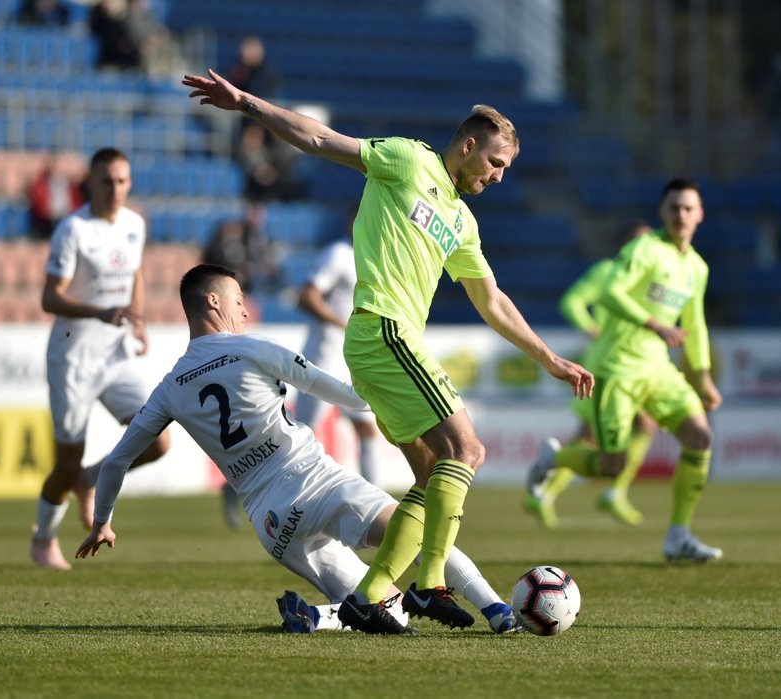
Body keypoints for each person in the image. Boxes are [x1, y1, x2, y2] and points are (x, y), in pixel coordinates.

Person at [181, 68, 593, 633]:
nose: (498, 177)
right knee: (467, 450)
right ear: (468, 146)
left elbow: (491, 299)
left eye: (506, 170)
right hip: (384, 330)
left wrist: (549, 359)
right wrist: (247, 103)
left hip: (386, 345)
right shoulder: (408, 160)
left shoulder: (462, 222)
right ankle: (428, 586)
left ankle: (368, 597)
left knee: (429, 476)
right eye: (495, 163)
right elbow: (322, 140)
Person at [75, 264, 521, 636]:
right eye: (237, 300)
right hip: (317, 481)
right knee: (419, 541)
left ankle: (314, 617)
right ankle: (499, 612)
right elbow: (349, 396)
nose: (245, 310)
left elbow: (116, 460)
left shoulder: (170, 387)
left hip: (272, 522)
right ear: (213, 302)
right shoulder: (253, 349)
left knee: (374, 610)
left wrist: (102, 522)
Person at [530, 179, 723, 562]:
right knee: (610, 463)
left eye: (688, 208)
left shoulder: (696, 267)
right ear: (662, 212)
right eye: (674, 208)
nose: (681, 215)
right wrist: (654, 324)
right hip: (617, 371)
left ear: (700, 214)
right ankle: (554, 460)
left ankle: (678, 536)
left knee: (700, 437)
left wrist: (702, 380)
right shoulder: (645, 249)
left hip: (659, 371)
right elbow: (609, 293)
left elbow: (695, 323)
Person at [31, 147, 171, 570]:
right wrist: (99, 311)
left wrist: (139, 321)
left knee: (158, 439)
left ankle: (90, 479)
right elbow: (49, 297)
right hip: (73, 359)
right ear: (89, 183)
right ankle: (43, 538)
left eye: (123, 181)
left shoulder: (133, 224)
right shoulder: (72, 231)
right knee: (64, 460)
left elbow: (135, 274)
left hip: (116, 357)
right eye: (107, 181)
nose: (116, 189)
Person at [524, 221, 657, 529]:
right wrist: (590, 327)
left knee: (644, 425)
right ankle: (551, 494)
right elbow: (571, 301)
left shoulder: (649, 280)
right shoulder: (608, 271)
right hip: (608, 363)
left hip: (636, 364)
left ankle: (612, 491)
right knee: (589, 435)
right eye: (639, 241)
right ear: (625, 247)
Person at [294, 207, 381, 487]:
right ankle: (240, 487)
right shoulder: (339, 255)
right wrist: (342, 324)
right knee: (299, 436)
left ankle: (379, 502)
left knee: (367, 426)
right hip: (323, 356)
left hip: (350, 360)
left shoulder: (370, 260)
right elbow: (306, 297)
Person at [27, 155, 84, 240]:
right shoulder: (41, 183)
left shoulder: (69, 184)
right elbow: (38, 202)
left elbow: (76, 201)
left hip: (65, 216)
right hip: (47, 219)